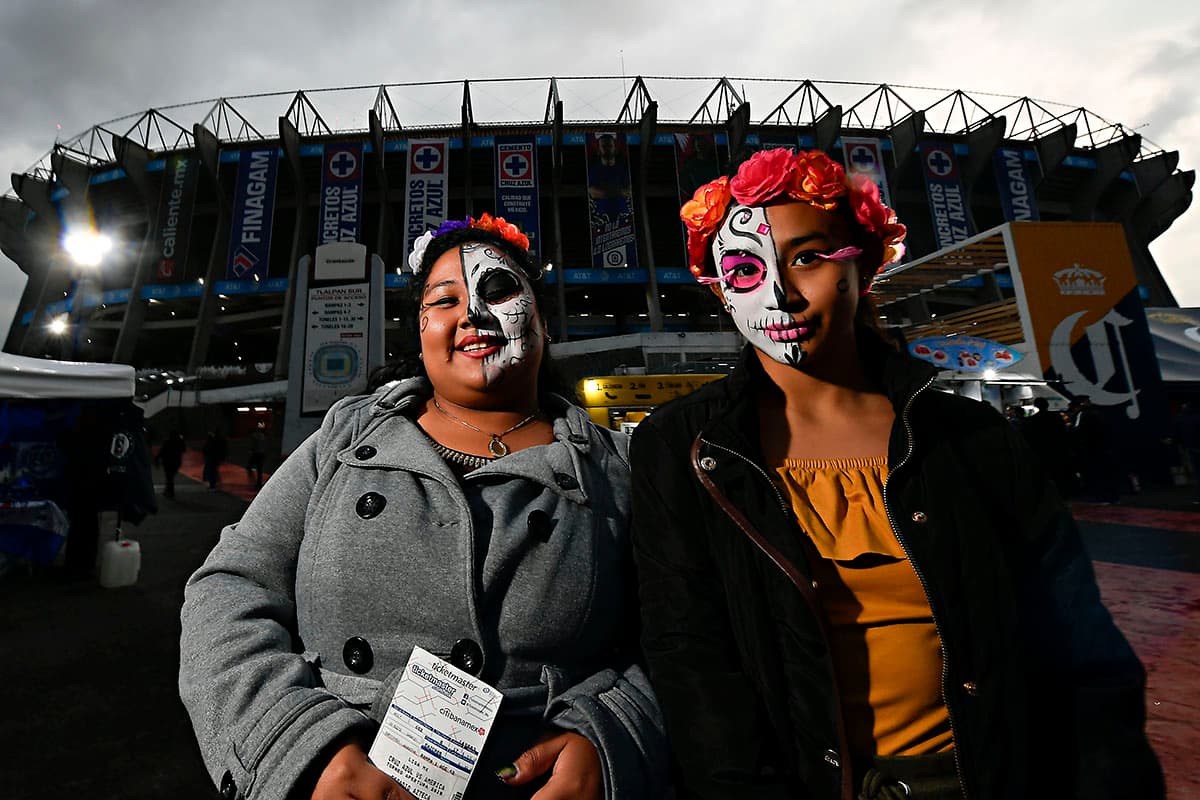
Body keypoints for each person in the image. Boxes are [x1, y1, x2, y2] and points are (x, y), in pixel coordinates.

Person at [630, 148, 1163, 799]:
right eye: (744, 270)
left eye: (807, 257)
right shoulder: (684, 447)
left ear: (866, 262)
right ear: (718, 289)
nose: (781, 294)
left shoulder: (972, 439)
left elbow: (1082, 646)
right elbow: (691, 661)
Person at [180, 213, 668, 800]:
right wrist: (299, 743)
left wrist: (613, 738)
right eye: (444, 300)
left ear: (542, 317)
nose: (471, 314)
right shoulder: (344, 438)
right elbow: (229, 588)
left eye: (497, 290)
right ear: (421, 329)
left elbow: (686, 635)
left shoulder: (620, 468)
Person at [156, 429, 186, 499]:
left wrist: (157, 458)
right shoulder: (179, 442)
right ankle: (168, 491)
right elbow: (183, 449)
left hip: (168, 462)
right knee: (170, 477)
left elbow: (162, 451)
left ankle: (169, 492)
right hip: (176, 462)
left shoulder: (167, 442)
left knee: (169, 477)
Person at [246, 422, 267, 490]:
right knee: (259, 469)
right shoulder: (263, 436)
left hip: (256, 453)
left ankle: (254, 481)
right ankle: (258, 483)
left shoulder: (254, 435)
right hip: (261, 453)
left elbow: (253, 444)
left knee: (250, 466)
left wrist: (251, 450)